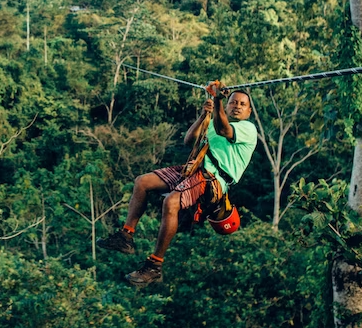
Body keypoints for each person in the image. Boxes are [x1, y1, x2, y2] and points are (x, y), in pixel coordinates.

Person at [96, 83, 257, 286]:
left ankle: (154, 266)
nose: (237, 106)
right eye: (233, 102)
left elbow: (225, 129)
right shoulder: (215, 121)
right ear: (227, 106)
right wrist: (203, 116)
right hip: (193, 168)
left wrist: (217, 99)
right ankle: (125, 236)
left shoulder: (248, 129)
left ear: (249, 111)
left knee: (171, 203)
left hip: (212, 180)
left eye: (242, 104)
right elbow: (189, 140)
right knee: (142, 182)